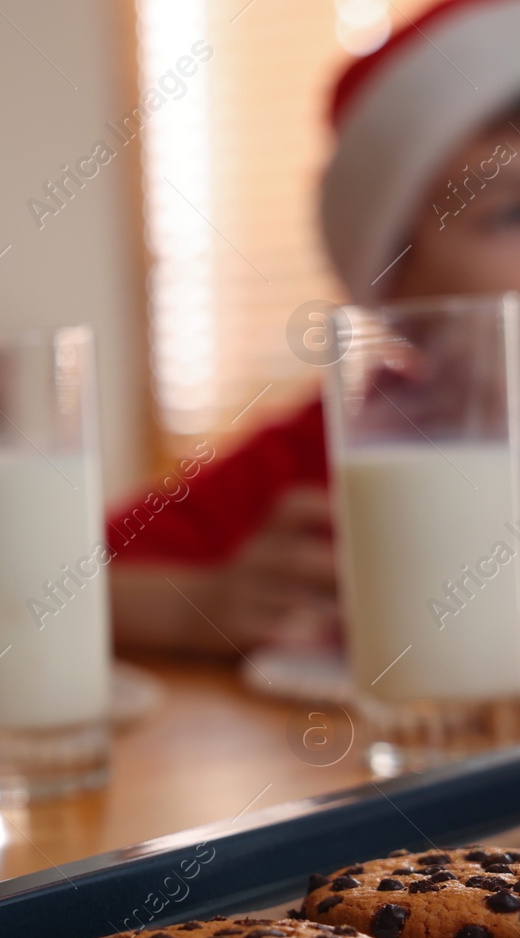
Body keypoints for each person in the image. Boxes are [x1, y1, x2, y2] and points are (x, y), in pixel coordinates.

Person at [109, 0, 520, 654]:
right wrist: (201, 607)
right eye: (511, 214)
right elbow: (53, 585)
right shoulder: (319, 464)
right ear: (392, 281)